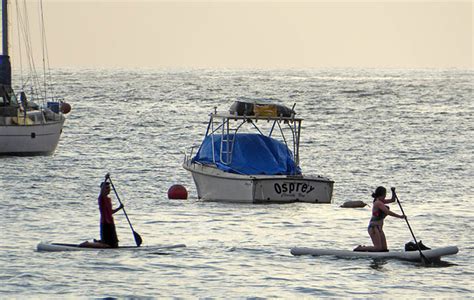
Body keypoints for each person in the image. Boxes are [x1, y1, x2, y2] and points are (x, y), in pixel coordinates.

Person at [354, 186, 405, 252]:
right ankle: (361, 248)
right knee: (377, 248)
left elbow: (393, 200)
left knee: (384, 249)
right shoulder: (378, 203)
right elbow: (387, 212)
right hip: (373, 228)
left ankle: (371, 251)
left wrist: (393, 192)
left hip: (379, 228)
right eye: (385, 195)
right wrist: (400, 216)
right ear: (382, 194)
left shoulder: (381, 201)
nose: (385, 196)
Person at [96, 181, 124, 248]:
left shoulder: (108, 199)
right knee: (107, 245)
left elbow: (110, 212)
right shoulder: (101, 198)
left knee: (115, 244)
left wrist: (119, 208)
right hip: (105, 223)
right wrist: (106, 179)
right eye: (106, 188)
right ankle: (87, 244)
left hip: (111, 223)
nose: (108, 190)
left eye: (109, 188)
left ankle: (99, 242)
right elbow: (102, 191)